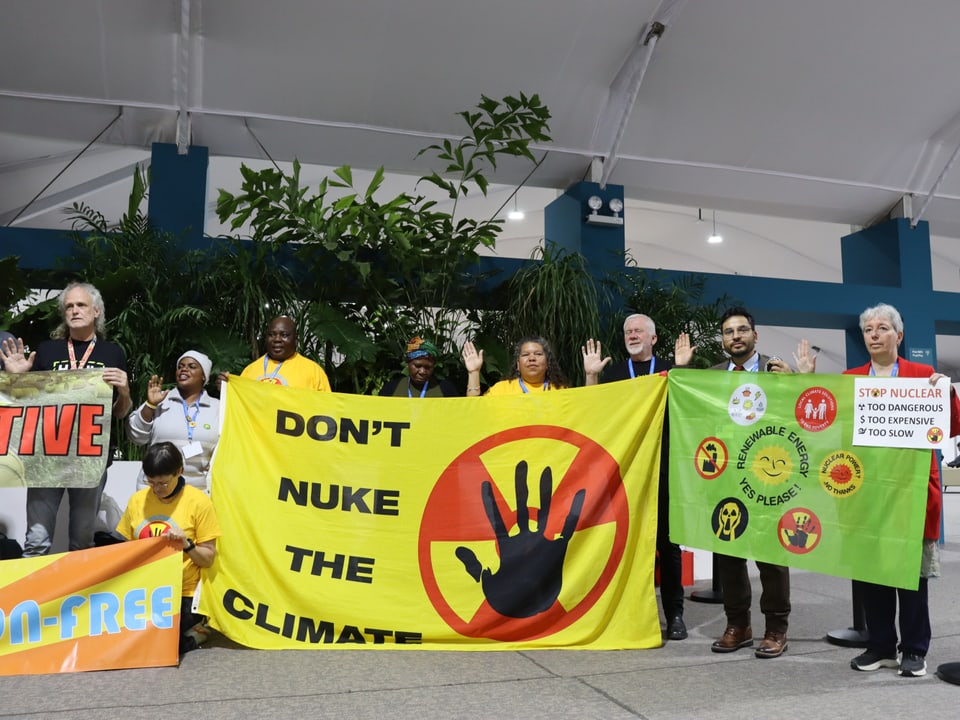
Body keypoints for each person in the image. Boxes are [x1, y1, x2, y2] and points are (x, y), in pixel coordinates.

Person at [846, 303, 960, 678]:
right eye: (868, 329)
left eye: (882, 328)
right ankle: (879, 646)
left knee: (912, 578)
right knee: (872, 574)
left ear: (900, 334)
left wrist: (947, 393)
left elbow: (953, 426)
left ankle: (913, 649)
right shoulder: (850, 379)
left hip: (910, 494)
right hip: (867, 493)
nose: (874, 334)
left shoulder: (922, 376)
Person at [582, 313, 695, 642]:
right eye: (628, 331)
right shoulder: (614, 373)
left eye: (639, 331)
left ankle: (674, 614)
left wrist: (684, 370)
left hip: (663, 470)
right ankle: (630, 613)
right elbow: (593, 413)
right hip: (626, 471)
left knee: (667, 546)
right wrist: (591, 376)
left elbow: (689, 408)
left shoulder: (671, 370)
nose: (632, 335)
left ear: (653, 338)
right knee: (627, 542)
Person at [0, 282, 131, 556]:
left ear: (96, 311)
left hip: (90, 460)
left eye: (81, 305)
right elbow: (25, 407)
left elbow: (119, 413)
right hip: (46, 457)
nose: (74, 310)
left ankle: (76, 600)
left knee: (82, 543)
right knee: (37, 541)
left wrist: (126, 392)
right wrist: (17, 378)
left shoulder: (113, 353)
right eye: (69, 306)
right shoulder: (47, 351)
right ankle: (30, 599)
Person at [707, 306, 809, 659]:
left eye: (741, 330)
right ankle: (738, 625)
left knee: (770, 555)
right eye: (728, 332)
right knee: (729, 555)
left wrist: (797, 381)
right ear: (722, 339)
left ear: (755, 335)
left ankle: (776, 628)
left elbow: (803, 414)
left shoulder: (776, 371)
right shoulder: (712, 376)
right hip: (726, 477)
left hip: (769, 475)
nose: (735, 336)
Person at [115, 441, 221, 654]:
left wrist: (187, 545)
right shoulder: (138, 501)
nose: (156, 489)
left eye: (163, 483)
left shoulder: (199, 503)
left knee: (165, 644)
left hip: (183, 591)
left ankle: (198, 631)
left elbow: (208, 558)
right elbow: (126, 550)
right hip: (145, 590)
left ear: (179, 472)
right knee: (124, 641)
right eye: (151, 482)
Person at [128, 350, 220, 493]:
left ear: (204, 376)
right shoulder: (161, 399)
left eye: (192, 366)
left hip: (197, 492)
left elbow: (227, 446)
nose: (184, 369)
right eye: (180, 366)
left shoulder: (218, 407)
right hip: (154, 489)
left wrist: (216, 464)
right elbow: (136, 437)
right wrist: (150, 405)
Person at [234, 316, 331, 391]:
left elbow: (326, 409)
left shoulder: (313, 371)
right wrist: (227, 388)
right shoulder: (249, 371)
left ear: (295, 340)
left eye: (284, 335)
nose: (277, 339)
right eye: (271, 335)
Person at [462, 336, 569, 396]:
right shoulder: (502, 390)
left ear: (547, 363)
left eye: (538, 354)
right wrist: (474, 373)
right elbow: (475, 410)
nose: (532, 358)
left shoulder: (561, 390)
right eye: (526, 355)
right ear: (518, 364)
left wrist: (587, 375)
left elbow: (582, 414)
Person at [379, 336, 459, 397]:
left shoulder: (446, 389)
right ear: (408, 364)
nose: (422, 372)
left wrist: (471, 372)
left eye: (428, 367)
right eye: (417, 366)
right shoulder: (391, 389)